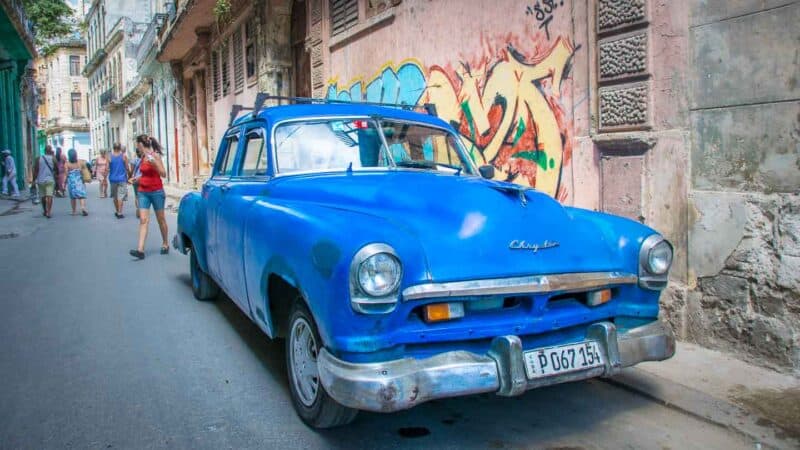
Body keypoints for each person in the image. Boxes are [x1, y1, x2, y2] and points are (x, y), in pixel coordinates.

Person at [129, 135, 168, 259]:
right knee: (143, 220)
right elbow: (144, 174)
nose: (136, 147)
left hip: (156, 191)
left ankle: (165, 243)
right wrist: (136, 178)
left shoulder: (155, 156)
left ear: (141, 144)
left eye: (137, 144)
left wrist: (155, 164)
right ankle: (140, 250)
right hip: (143, 192)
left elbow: (163, 174)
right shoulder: (142, 157)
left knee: (160, 219)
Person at [32, 145, 58, 218]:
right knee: (50, 196)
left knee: (43, 197)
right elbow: (57, 169)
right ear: (50, 151)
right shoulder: (53, 158)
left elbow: (36, 170)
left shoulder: (38, 158)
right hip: (50, 180)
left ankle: (45, 210)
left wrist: (34, 180)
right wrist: (56, 175)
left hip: (41, 180)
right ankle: (49, 212)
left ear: (44, 151)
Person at [64, 149, 89, 216]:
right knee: (81, 196)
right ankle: (83, 208)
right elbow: (82, 171)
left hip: (71, 183)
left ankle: (74, 211)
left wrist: (64, 183)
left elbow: (66, 174)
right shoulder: (79, 162)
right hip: (79, 181)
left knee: (73, 198)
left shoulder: (67, 164)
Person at [108, 143, 130, 218]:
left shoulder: (110, 157)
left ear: (113, 148)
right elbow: (127, 167)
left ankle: (117, 211)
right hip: (122, 179)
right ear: (120, 148)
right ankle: (120, 212)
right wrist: (129, 175)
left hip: (113, 179)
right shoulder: (124, 156)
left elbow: (107, 168)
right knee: (120, 196)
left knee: (115, 196)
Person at [128, 147, 143, 219]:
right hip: (143, 179)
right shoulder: (145, 160)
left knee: (137, 196)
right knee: (143, 195)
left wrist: (129, 177)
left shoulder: (133, 161)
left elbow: (131, 171)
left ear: (136, 153)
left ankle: (138, 209)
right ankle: (143, 210)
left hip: (135, 180)